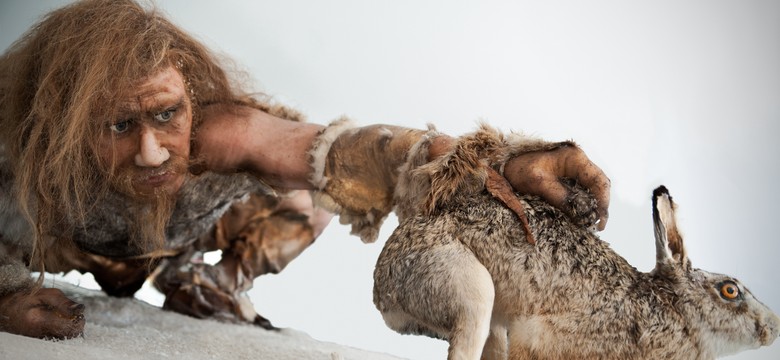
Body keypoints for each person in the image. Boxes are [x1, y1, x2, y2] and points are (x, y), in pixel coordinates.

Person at [0, 0, 610, 339]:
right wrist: (6, 295)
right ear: (64, 125)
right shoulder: (26, 164)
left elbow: (355, 152)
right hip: (67, 247)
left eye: (167, 114)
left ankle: (212, 282)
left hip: (183, 237)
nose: (153, 152)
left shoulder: (222, 134)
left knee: (315, 197)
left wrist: (500, 162)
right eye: (118, 125)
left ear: (187, 95)